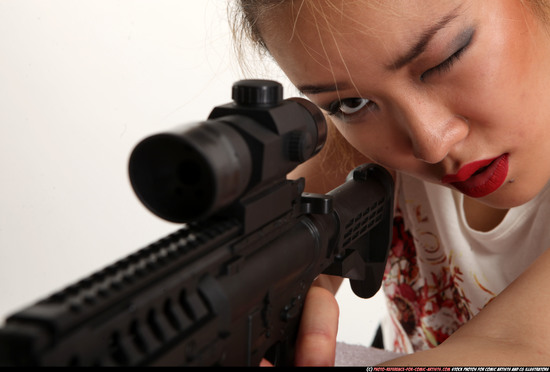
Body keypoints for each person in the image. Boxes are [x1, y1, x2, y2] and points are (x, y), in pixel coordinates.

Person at [231, 0, 550, 366]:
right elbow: (268, 252)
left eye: (446, 58)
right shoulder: (352, 143)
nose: (430, 144)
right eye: (351, 103)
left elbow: (518, 349)